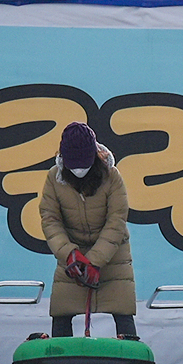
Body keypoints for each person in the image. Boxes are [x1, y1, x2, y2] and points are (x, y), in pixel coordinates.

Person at [38, 122, 139, 340]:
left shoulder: (112, 177)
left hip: (112, 254)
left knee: (122, 309)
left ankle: (130, 361)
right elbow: (50, 219)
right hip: (72, 256)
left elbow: (117, 220)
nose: (79, 169)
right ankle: (60, 354)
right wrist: (69, 253)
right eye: (73, 164)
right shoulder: (54, 178)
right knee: (62, 310)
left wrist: (95, 260)